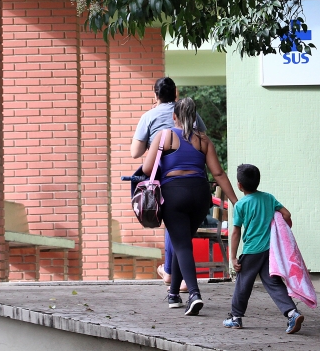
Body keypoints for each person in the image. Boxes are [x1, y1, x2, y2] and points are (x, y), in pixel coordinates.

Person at [142, 98, 238, 315]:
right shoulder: (203, 140)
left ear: (174, 116)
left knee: (182, 245)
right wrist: (235, 201)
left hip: (174, 196)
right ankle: (174, 294)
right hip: (200, 196)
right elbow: (218, 173)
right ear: (194, 118)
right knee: (182, 241)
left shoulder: (164, 136)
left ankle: (194, 294)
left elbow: (148, 169)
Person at [130, 77, 207, 292]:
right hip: (195, 181)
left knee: (174, 224)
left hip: (167, 177)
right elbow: (202, 138)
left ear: (155, 95)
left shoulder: (149, 116)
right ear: (176, 93)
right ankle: (174, 279)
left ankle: (172, 274)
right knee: (181, 232)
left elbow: (135, 152)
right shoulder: (189, 113)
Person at [223, 164, 304, 334]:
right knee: (273, 282)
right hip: (270, 251)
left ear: (239, 185)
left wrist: (233, 257)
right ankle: (292, 313)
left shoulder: (240, 205)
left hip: (252, 250)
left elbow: (236, 232)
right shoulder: (268, 198)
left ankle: (236, 318)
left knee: (243, 283)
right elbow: (287, 214)